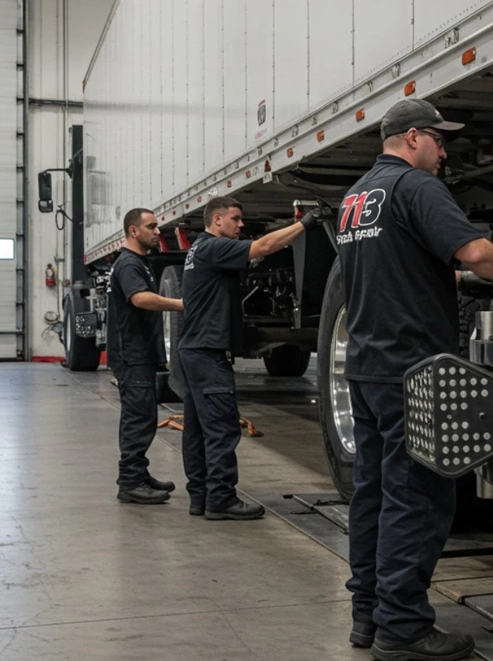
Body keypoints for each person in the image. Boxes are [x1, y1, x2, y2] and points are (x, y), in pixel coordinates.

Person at [337, 98, 493, 661]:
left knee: (372, 494)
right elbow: (476, 251)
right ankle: (402, 628)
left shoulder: (357, 198)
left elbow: (396, 264)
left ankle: (369, 614)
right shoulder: (416, 188)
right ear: (413, 138)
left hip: (368, 367)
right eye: (439, 140)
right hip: (413, 372)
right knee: (419, 496)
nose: (444, 153)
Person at [176, 195, 331, 520]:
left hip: (193, 351)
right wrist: (304, 224)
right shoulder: (213, 247)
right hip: (207, 353)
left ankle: (200, 496)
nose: (241, 224)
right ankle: (221, 500)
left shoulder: (199, 250)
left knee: (197, 429)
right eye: (235, 219)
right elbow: (261, 247)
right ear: (217, 220)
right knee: (221, 428)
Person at [107, 207, 185, 504]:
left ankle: (138, 474)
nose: (157, 232)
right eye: (151, 227)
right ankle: (129, 482)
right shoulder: (129, 264)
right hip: (132, 355)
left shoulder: (138, 261)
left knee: (143, 416)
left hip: (139, 353)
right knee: (138, 419)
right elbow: (140, 299)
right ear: (133, 230)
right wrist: (180, 304)